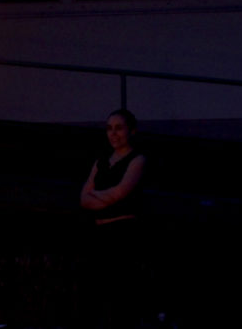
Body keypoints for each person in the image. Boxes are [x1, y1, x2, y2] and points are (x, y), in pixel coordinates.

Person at [78, 108, 147, 329]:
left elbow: (121, 192)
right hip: (99, 234)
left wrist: (97, 195)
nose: (113, 133)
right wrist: (104, 197)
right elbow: (83, 198)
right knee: (95, 292)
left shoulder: (137, 160)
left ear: (131, 131)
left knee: (121, 294)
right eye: (109, 128)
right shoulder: (101, 162)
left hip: (123, 233)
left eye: (119, 128)